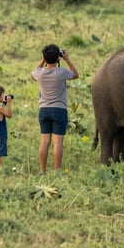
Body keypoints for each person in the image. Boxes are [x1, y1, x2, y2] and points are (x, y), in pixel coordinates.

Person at [30, 44, 79, 173]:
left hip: (44, 110)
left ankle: (42, 171)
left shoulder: (39, 74)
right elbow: (75, 74)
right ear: (58, 58)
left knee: (45, 141)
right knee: (57, 143)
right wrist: (67, 59)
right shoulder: (61, 72)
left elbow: (32, 74)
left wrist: (43, 60)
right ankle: (57, 171)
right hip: (59, 110)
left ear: (45, 58)